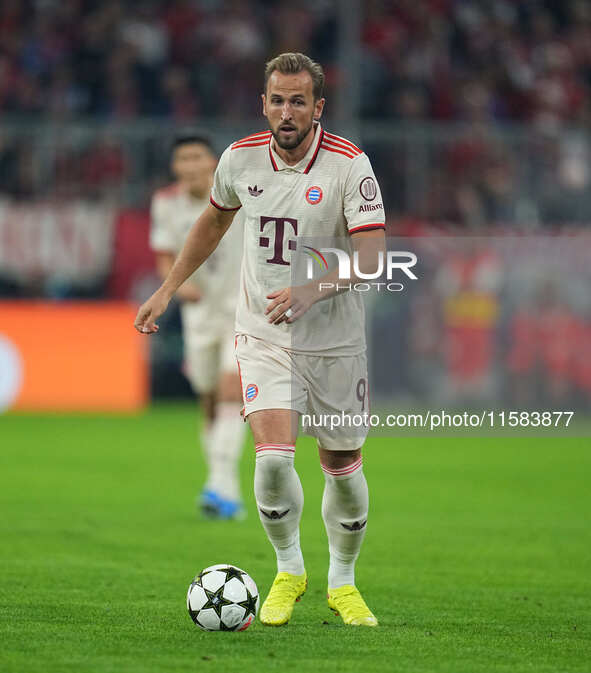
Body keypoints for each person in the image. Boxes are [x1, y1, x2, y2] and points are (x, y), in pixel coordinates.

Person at [135, 53, 386, 627]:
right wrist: (168, 288)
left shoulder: (350, 165)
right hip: (263, 332)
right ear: (264, 103)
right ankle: (289, 569)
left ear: (318, 107)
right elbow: (214, 222)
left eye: (299, 101)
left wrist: (313, 288)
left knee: (341, 462)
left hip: (335, 340)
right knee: (273, 460)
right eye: (277, 99)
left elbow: (373, 258)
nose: (286, 111)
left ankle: (342, 583)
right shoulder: (240, 158)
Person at [150, 133, 246, 519]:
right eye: (183, 158)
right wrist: (177, 287)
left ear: (213, 163)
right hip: (200, 314)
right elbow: (164, 256)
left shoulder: (237, 193)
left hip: (242, 308)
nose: (190, 165)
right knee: (208, 399)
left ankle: (219, 486)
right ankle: (226, 486)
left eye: (197, 157)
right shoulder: (165, 203)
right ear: (175, 167)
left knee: (231, 392)